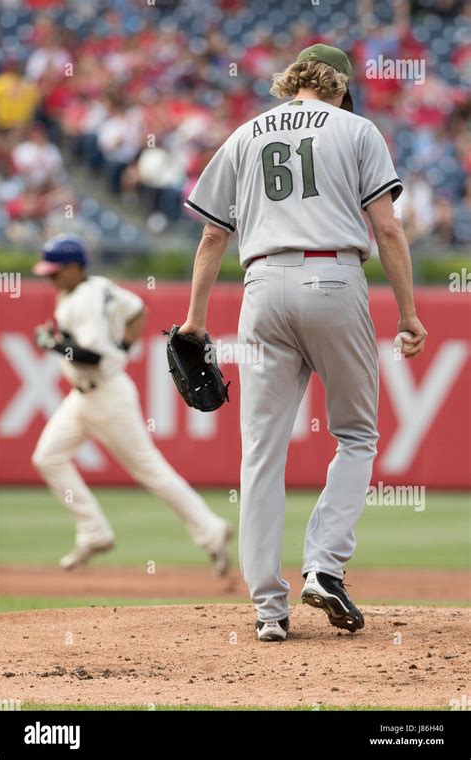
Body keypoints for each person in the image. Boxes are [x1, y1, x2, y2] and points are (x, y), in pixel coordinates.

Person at [178, 44, 427, 641]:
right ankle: (324, 566)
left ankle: (268, 610)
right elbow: (387, 225)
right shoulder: (357, 128)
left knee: (261, 452)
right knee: (358, 433)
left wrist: (194, 319)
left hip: (261, 284)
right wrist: (410, 314)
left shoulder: (246, 134)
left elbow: (214, 235)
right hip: (334, 278)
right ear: (340, 85)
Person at [32, 234, 232, 573]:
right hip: (82, 398)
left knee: (150, 470)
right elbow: (138, 310)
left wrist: (52, 344)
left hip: (107, 396)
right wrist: (123, 347)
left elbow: (93, 355)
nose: (50, 277)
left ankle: (210, 530)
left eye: (56, 270)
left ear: (76, 266)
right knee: (47, 457)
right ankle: (94, 531)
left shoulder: (82, 300)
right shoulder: (98, 286)